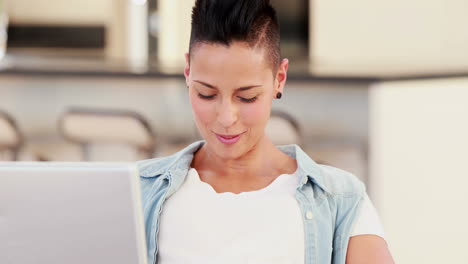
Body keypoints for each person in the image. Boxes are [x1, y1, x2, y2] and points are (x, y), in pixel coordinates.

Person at [138, 0, 394, 263]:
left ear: (279, 79)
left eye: (247, 97)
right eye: (206, 94)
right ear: (188, 73)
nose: (226, 118)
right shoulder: (138, 191)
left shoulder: (341, 199)